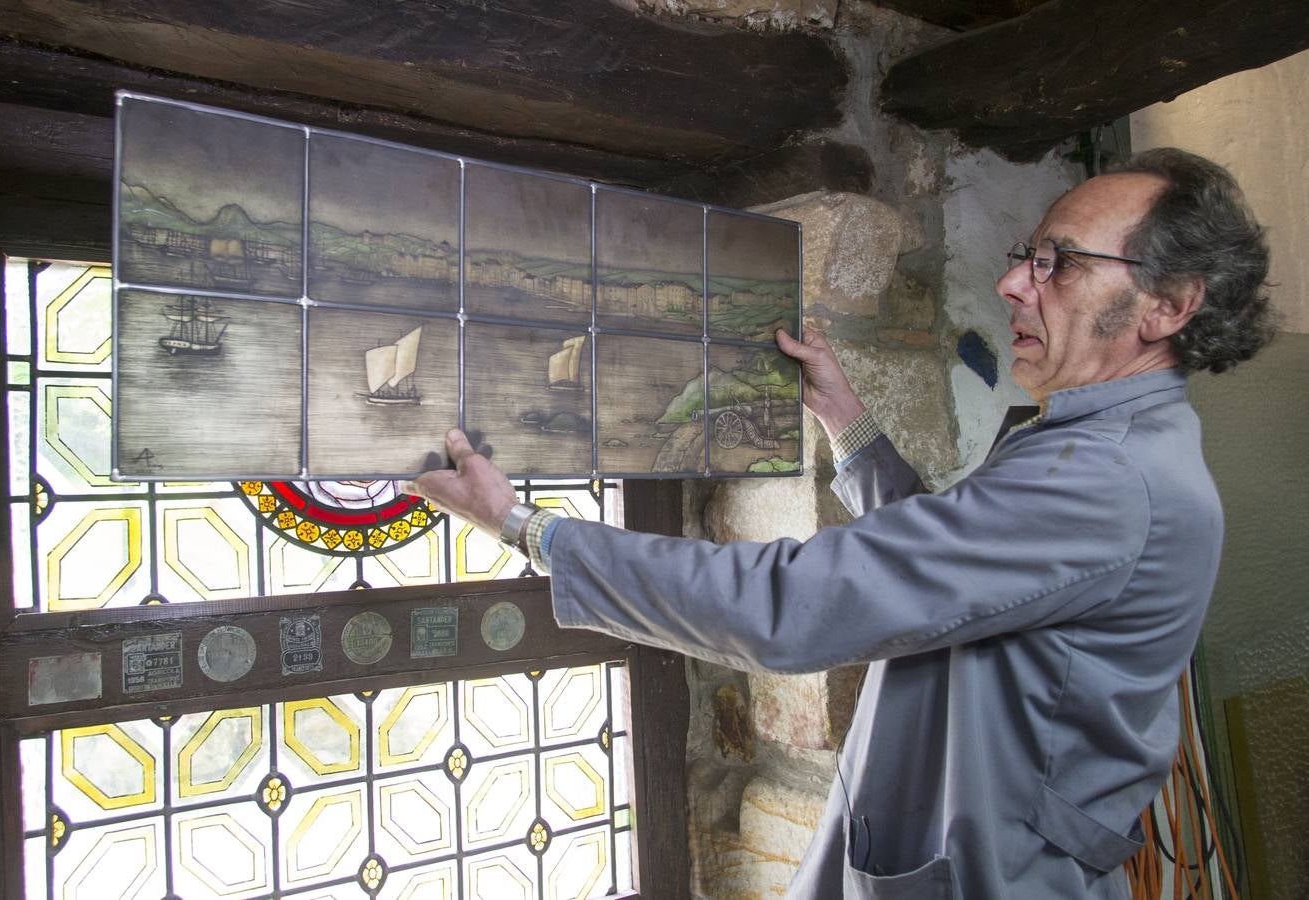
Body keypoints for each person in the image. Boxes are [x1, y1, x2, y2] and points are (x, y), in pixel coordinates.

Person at [408, 148, 1275, 899]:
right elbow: (954, 576)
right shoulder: (1106, 443)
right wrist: (849, 426)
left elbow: (794, 604)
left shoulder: (1107, 477)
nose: (1015, 281)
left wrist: (527, 528)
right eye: (1026, 256)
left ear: (1169, 306)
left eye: (1059, 262)